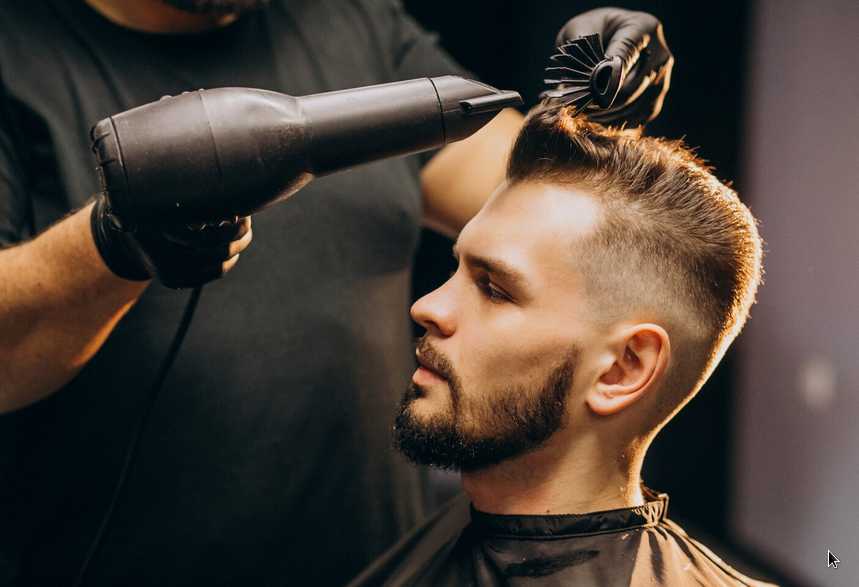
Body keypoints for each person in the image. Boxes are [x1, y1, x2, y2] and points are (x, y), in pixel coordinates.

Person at [0, 1, 671, 585]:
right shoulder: (16, 53)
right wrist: (110, 242)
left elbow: (531, 195)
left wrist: (589, 118)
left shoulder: (348, 17)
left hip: (382, 567)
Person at [347, 101, 773, 586]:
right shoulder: (446, 535)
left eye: (495, 290)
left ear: (622, 369)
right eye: (455, 268)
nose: (427, 306)